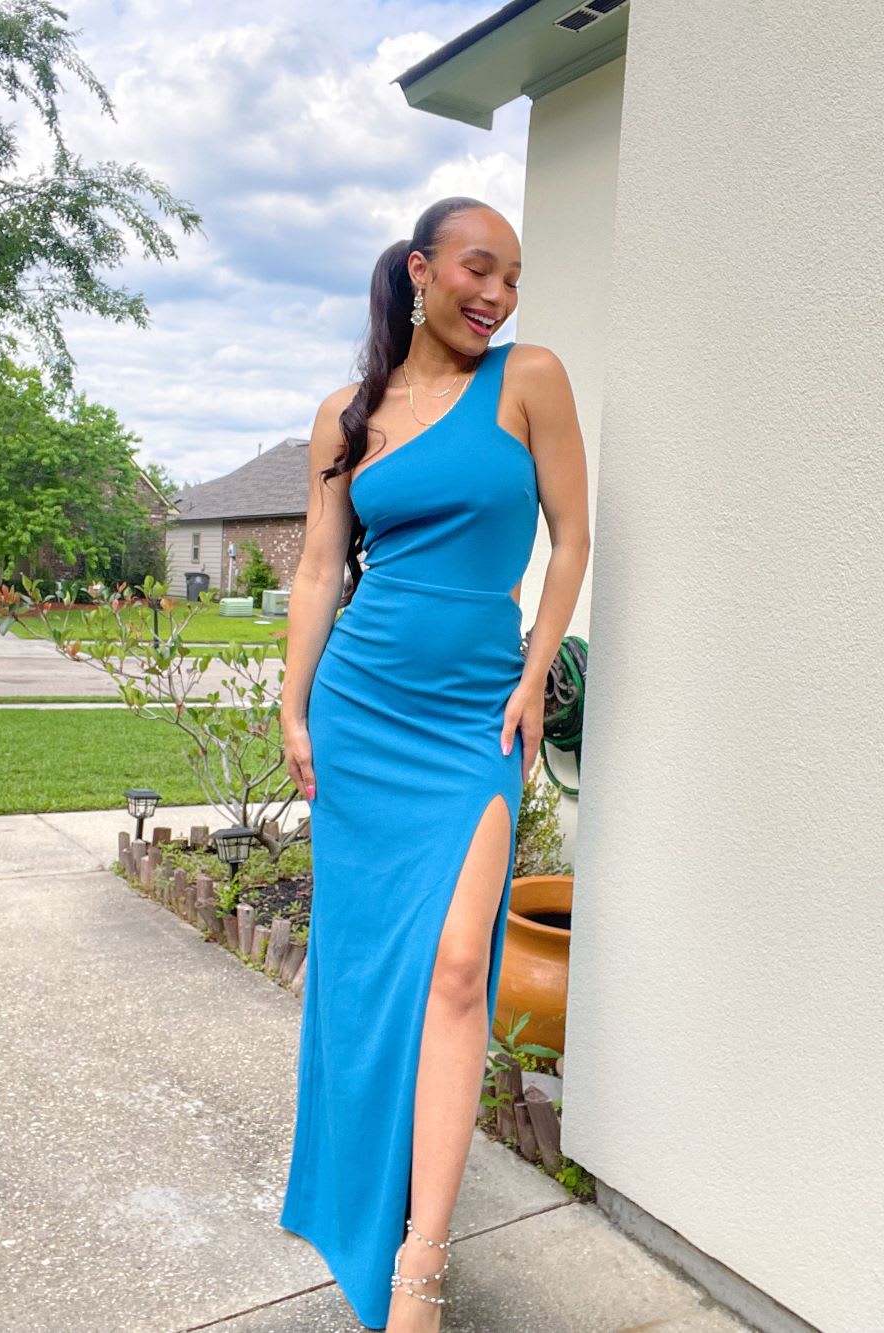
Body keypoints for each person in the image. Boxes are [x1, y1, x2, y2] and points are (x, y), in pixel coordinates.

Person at [278, 196, 590, 1331]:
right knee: (364, 978)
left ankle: (420, 1259)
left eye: (512, 275)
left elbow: (573, 534)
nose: (496, 293)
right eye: (477, 267)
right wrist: (294, 708)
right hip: (361, 712)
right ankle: (364, 1210)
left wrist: (533, 668)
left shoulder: (529, 378)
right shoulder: (345, 416)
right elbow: (320, 571)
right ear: (421, 269)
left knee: (460, 969)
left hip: (473, 720)